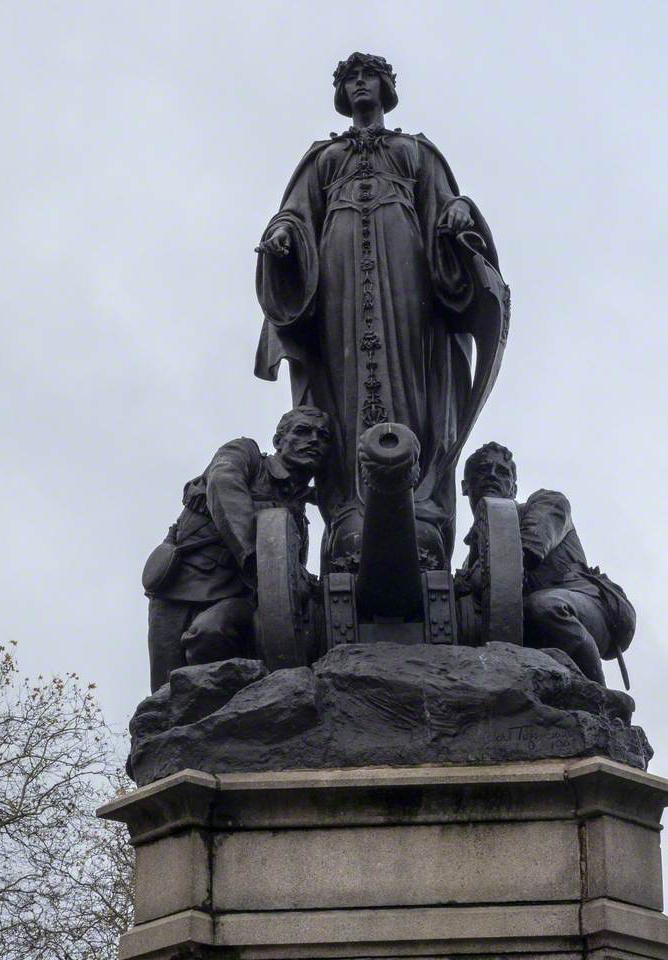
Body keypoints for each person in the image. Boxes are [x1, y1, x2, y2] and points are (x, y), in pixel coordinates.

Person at [255, 52, 503, 570]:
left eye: (369, 76)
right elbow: (297, 213)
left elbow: (447, 204)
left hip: (406, 267)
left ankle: (418, 502)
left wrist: (461, 209)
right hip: (340, 276)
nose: (360, 85)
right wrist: (284, 234)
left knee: (414, 374)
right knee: (342, 383)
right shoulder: (324, 158)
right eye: (350, 78)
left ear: (387, 87)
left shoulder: (414, 150)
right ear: (341, 94)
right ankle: (349, 506)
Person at [142, 406, 333, 692]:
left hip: (242, 600)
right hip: (184, 590)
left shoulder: (298, 511)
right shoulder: (245, 454)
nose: (314, 439)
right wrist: (254, 557)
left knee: (210, 632)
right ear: (279, 441)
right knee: (165, 696)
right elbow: (223, 481)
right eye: (302, 431)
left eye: (323, 435)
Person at [458, 442, 636, 686]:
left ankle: (598, 695)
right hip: (524, 624)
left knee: (543, 607)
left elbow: (519, 556)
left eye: (502, 472)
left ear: (513, 486)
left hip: (583, 602)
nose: (491, 476)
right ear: (465, 486)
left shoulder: (546, 502)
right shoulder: (471, 556)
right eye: (482, 470)